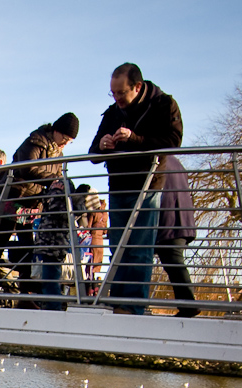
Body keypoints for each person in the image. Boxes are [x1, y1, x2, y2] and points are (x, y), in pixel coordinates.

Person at [89, 62, 183, 314]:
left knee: (140, 247)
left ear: (137, 87)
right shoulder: (112, 113)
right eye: (113, 93)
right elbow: (93, 154)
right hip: (118, 185)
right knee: (118, 246)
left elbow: (173, 143)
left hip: (147, 184)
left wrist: (135, 139)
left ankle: (133, 307)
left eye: (121, 92)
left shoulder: (164, 105)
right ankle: (117, 302)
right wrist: (103, 145)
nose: (117, 98)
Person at [0, 114, 79, 306]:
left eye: (70, 142)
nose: (66, 144)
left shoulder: (58, 153)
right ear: (57, 131)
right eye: (66, 139)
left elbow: (54, 175)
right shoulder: (34, 141)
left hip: (32, 203)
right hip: (14, 198)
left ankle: (24, 295)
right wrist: (54, 178)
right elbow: (28, 169)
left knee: (27, 248)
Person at [155, 155, 198, 317]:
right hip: (181, 218)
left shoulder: (160, 160)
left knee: (173, 260)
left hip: (169, 219)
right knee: (173, 261)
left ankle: (188, 306)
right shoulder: (176, 162)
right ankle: (187, 305)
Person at [34, 178, 85, 310]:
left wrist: (54, 191)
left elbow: (55, 210)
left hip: (51, 244)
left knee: (50, 279)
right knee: (50, 277)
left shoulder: (58, 198)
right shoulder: (66, 201)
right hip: (55, 243)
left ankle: (53, 307)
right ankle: (53, 306)